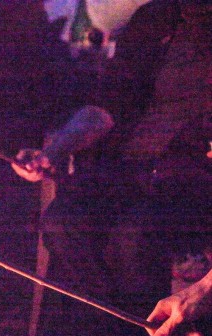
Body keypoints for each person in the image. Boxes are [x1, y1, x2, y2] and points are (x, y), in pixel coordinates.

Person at [12, 0, 212, 311]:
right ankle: (110, 328)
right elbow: (105, 106)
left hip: (193, 174)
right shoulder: (159, 17)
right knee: (64, 221)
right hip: (132, 167)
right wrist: (53, 151)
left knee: (135, 236)